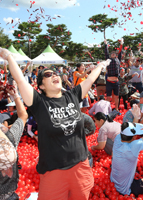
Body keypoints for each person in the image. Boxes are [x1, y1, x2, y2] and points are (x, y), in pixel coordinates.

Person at [0, 47, 111, 200]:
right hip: (54, 173)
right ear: (41, 86)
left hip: (81, 168)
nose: (54, 75)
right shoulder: (39, 103)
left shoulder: (72, 96)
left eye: (56, 73)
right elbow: (19, 80)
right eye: (48, 74)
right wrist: (8, 57)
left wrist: (101, 65)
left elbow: (91, 79)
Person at [110, 102, 143, 197]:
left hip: (113, 181)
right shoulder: (133, 146)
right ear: (134, 138)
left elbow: (132, 131)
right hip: (125, 189)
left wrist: (136, 117)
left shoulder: (118, 138)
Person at [0, 81, 28, 200]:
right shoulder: (8, 138)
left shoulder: (9, 137)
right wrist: (15, 95)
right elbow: (23, 116)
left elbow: (22, 116)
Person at [104, 38, 123, 110]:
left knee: (116, 96)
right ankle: (107, 108)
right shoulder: (108, 60)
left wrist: (121, 44)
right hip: (109, 81)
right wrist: (106, 44)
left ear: (116, 55)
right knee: (108, 96)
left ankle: (117, 108)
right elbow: (106, 52)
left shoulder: (118, 60)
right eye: (112, 53)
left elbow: (120, 52)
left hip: (116, 82)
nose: (113, 54)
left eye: (114, 53)